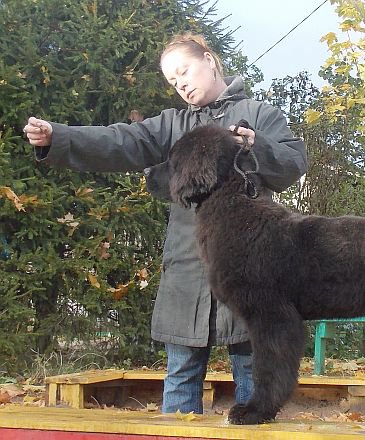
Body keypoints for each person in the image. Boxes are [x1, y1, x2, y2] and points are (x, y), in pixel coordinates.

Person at [24, 33, 307, 414]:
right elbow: (119, 141)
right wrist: (58, 137)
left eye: (184, 71)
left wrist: (256, 144)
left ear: (209, 60)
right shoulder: (172, 126)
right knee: (181, 371)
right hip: (188, 266)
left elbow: (291, 166)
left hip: (249, 267)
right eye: (173, 82)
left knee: (251, 370)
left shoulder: (261, 115)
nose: (182, 85)